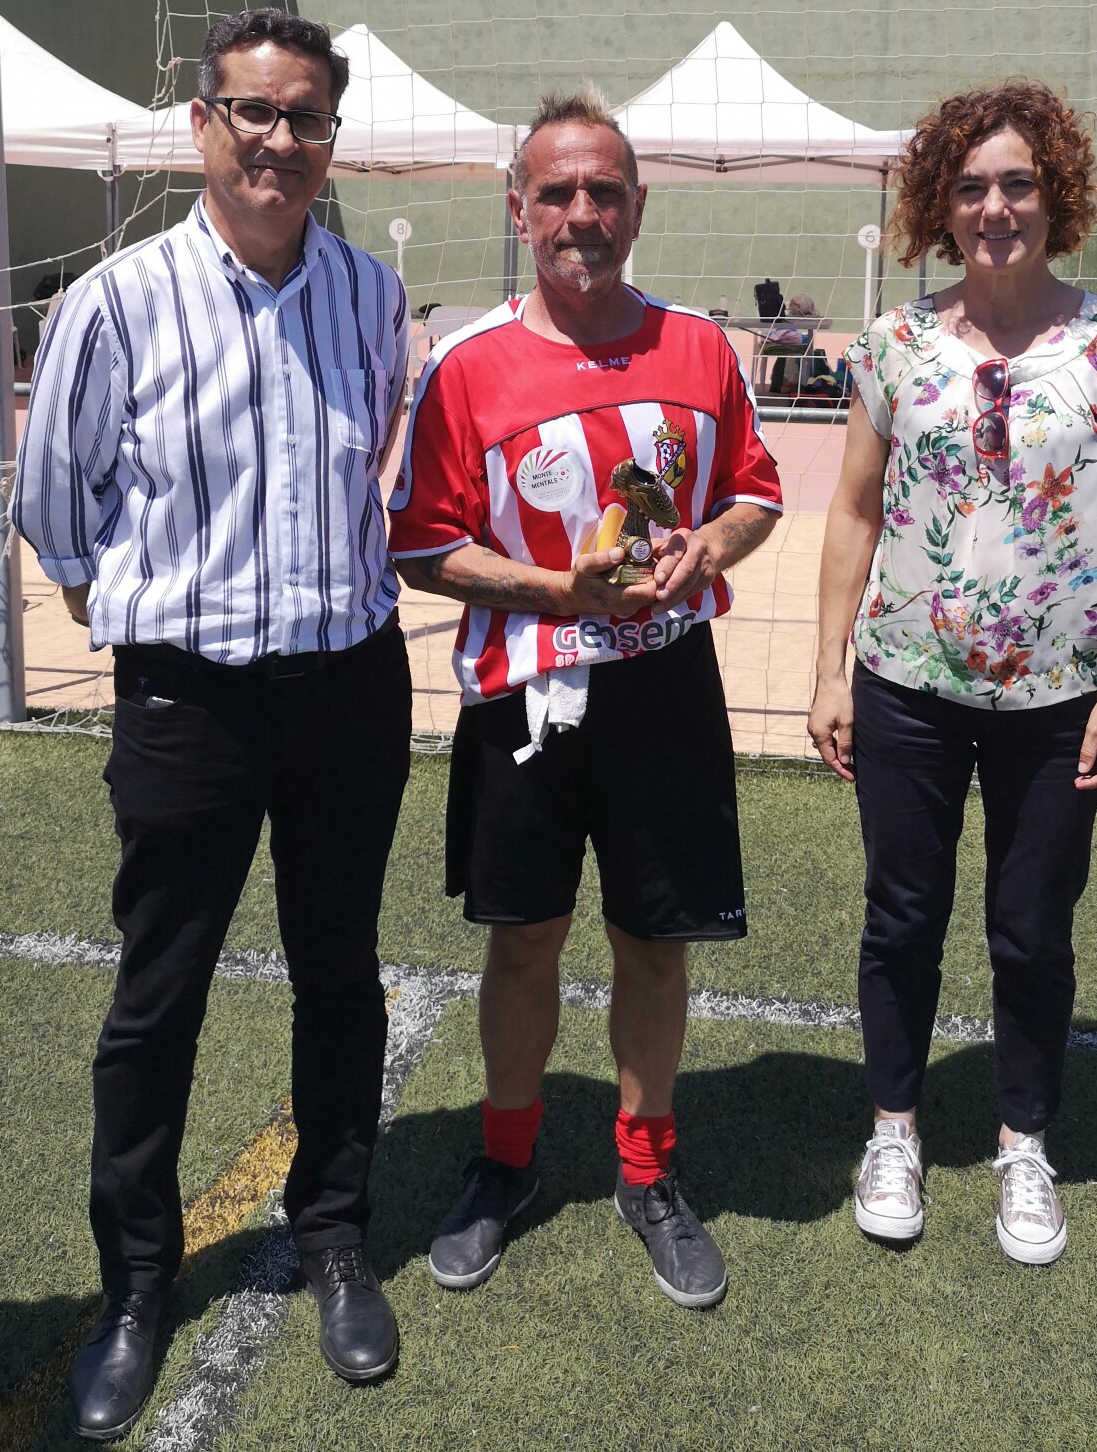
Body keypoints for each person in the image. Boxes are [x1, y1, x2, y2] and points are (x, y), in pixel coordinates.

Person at [11, 9, 412, 1436]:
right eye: (253, 112)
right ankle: (133, 1285)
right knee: (156, 997)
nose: (278, 140)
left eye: (305, 117)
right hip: (190, 700)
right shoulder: (113, 305)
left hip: (353, 690)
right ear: (201, 126)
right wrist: (158, 617)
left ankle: (336, 1235)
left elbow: (386, 476)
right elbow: (53, 513)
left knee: (340, 973)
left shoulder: (372, 299)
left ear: (329, 137)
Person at [389, 91, 781, 1310]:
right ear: (519, 209)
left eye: (601, 190)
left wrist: (706, 549)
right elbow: (419, 547)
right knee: (523, 937)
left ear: (636, 206)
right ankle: (505, 1159)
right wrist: (557, 592)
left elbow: (755, 492)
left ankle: (645, 1166)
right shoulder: (466, 365)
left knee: (652, 940)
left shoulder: (701, 347)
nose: (579, 214)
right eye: (554, 193)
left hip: (664, 685)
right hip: (524, 694)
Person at [808, 81, 1097, 1266]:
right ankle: (894, 1131)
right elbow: (853, 514)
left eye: (1015, 182)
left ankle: (1024, 1143)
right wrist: (827, 670)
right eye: (968, 186)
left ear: (1051, 193)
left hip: (1058, 696)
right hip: (905, 686)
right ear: (938, 204)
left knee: (1029, 932)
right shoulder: (894, 347)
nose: (992, 206)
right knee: (900, 919)